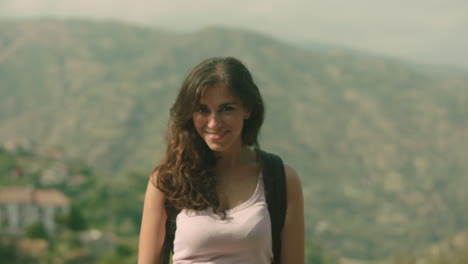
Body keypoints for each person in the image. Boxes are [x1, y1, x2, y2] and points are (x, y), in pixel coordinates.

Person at [138, 57, 304, 264]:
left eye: (226, 109)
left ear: (247, 109)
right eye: (202, 110)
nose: (214, 123)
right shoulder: (168, 181)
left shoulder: (281, 179)